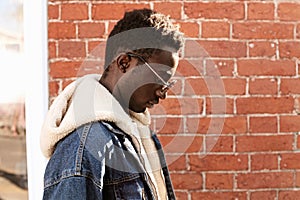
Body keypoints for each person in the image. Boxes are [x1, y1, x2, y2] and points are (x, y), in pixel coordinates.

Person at [40, 8, 184, 199]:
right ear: (124, 62)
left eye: (168, 84)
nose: (162, 93)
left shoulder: (141, 134)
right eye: (160, 79)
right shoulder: (86, 143)